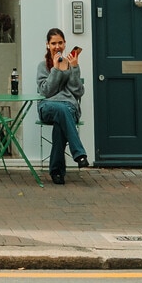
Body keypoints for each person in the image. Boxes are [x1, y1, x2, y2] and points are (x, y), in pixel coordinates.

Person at [34, 28, 88, 185]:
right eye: (53, 43)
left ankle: (56, 171)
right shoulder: (42, 66)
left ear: (65, 44)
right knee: (62, 111)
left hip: (68, 108)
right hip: (48, 107)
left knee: (61, 122)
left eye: (60, 43)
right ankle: (79, 153)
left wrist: (75, 69)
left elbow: (78, 92)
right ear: (47, 45)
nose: (57, 46)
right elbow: (46, 91)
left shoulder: (71, 64)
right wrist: (56, 70)